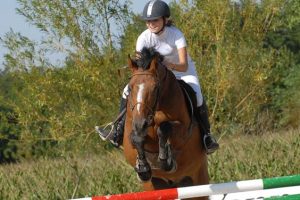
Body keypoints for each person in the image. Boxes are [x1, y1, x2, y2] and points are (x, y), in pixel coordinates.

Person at [97, 0, 219, 154]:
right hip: (154, 75)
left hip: (181, 72)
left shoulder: (176, 35)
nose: (151, 24)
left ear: (164, 19)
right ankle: (118, 131)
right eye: (148, 21)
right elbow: (142, 65)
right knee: (126, 91)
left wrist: (167, 65)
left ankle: (206, 136)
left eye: (154, 20)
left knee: (198, 95)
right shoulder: (143, 38)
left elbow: (183, 64)